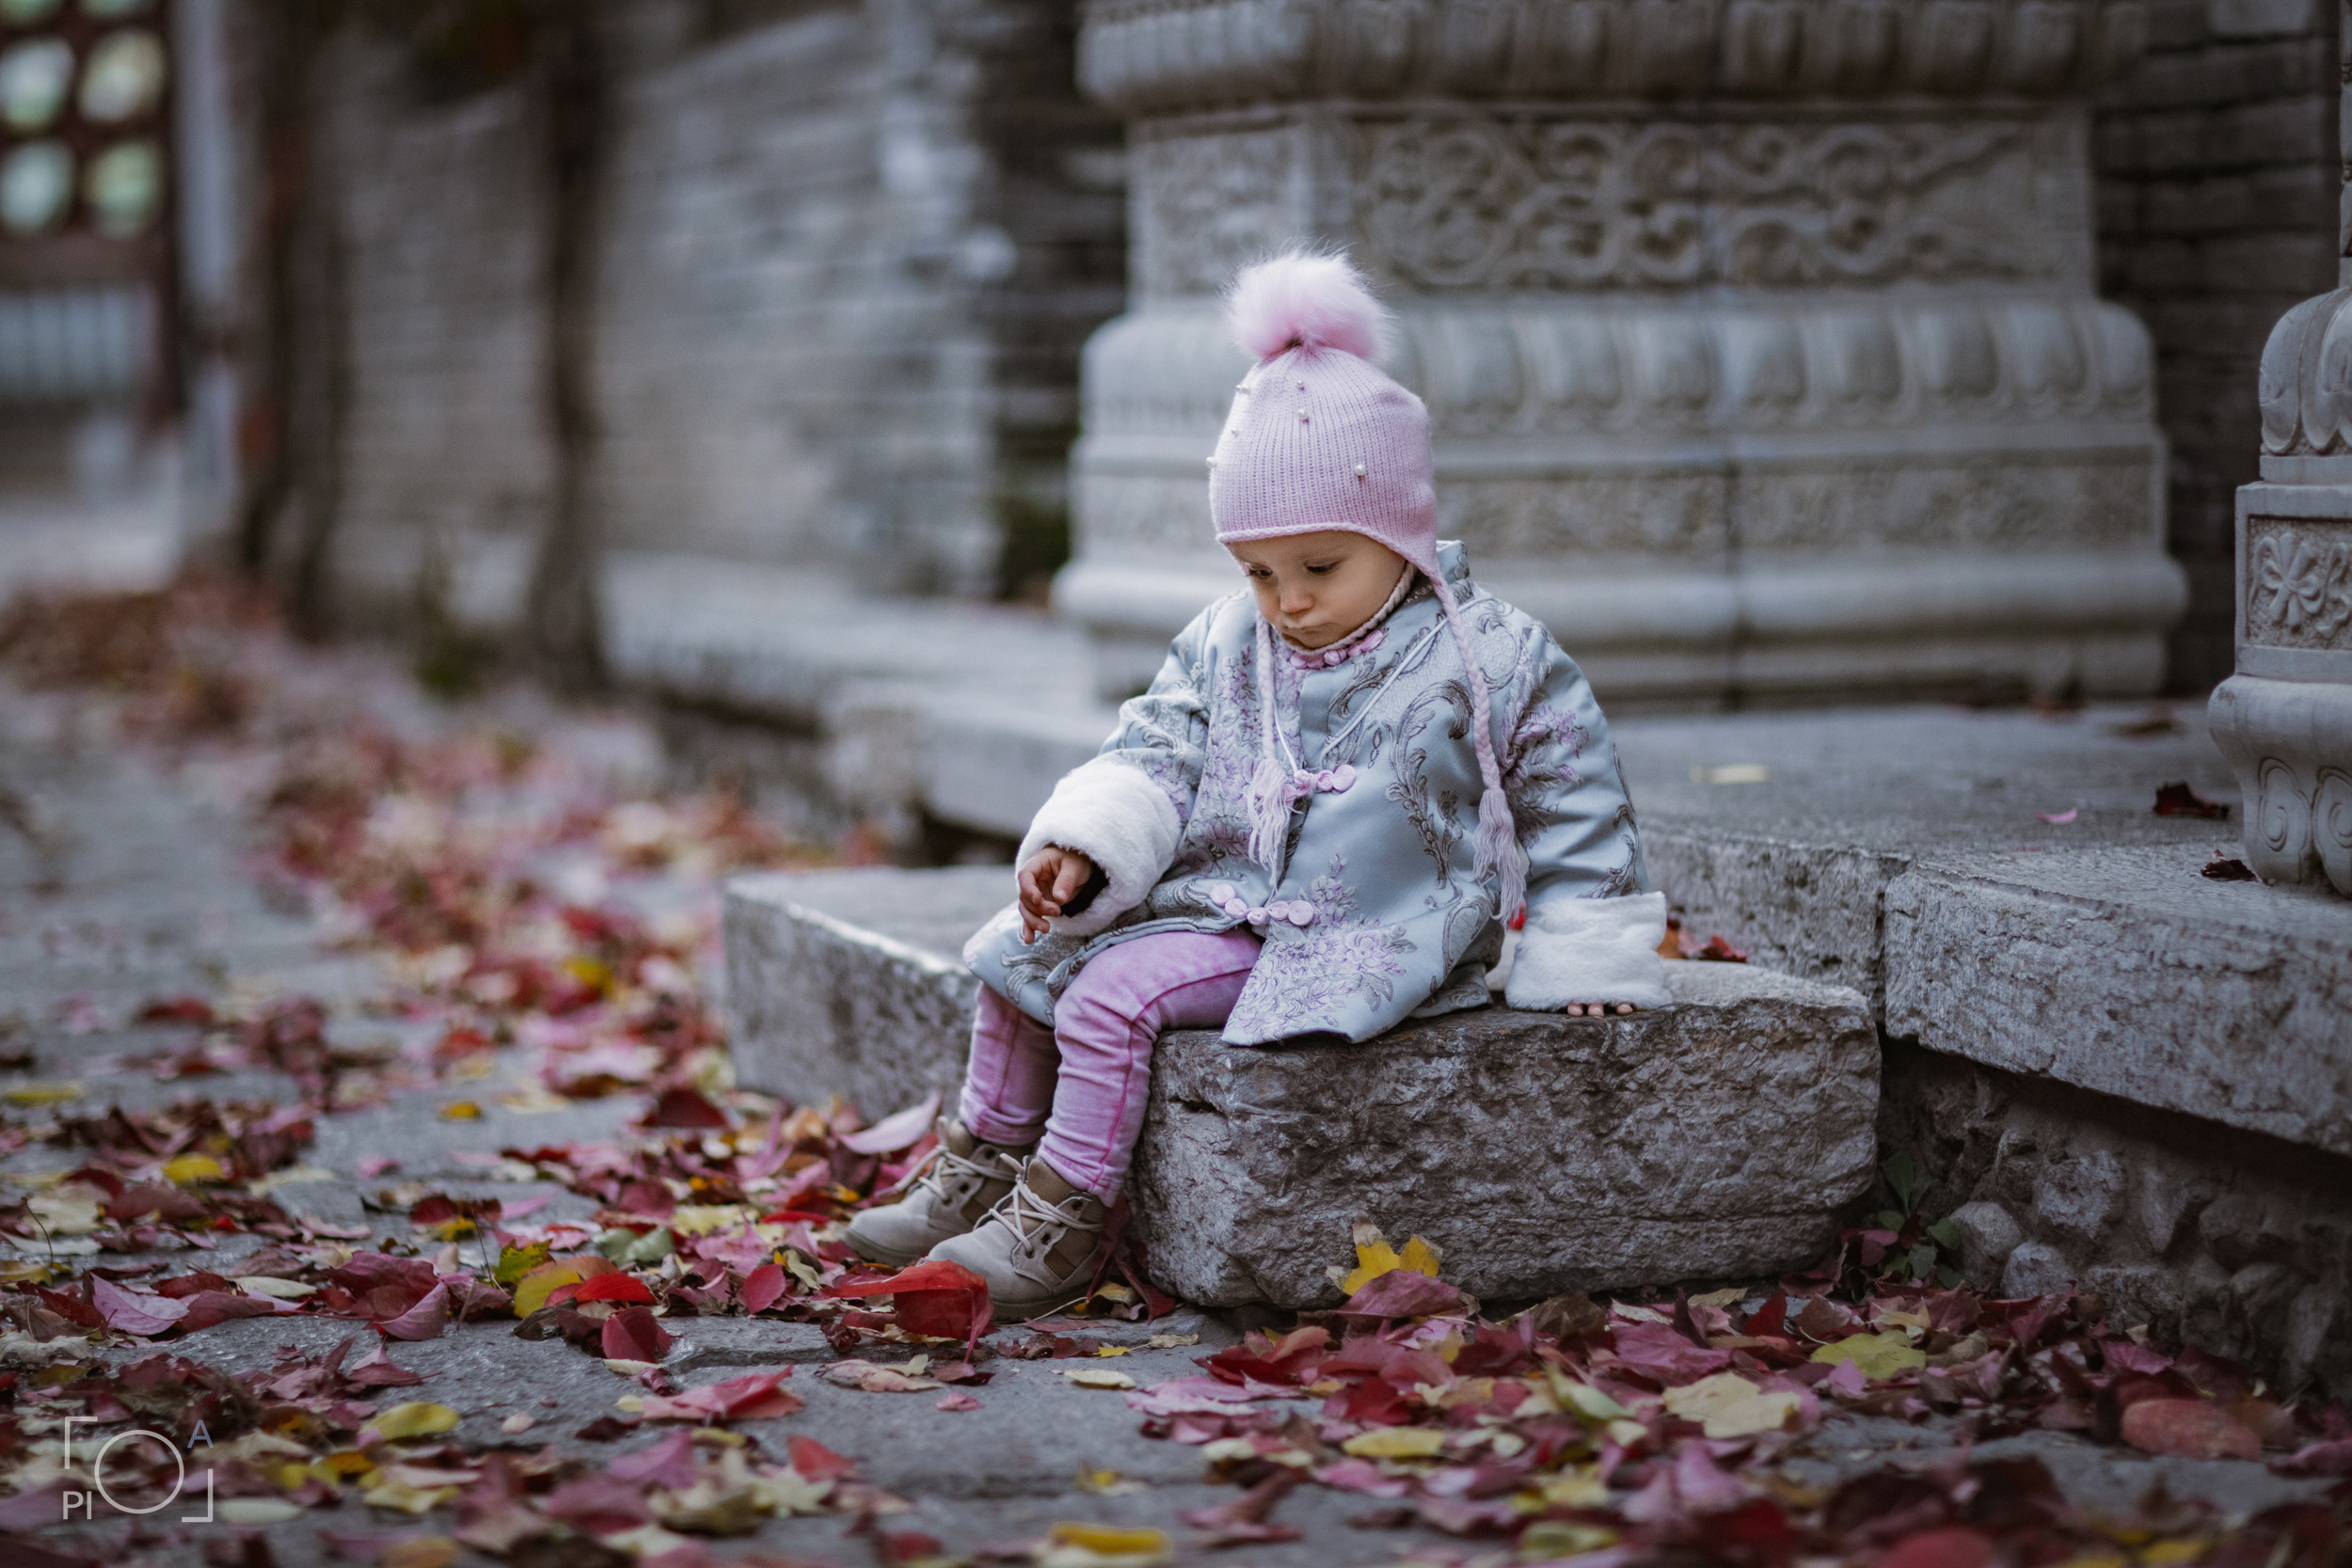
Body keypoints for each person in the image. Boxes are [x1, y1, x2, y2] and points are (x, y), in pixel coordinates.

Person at [846, 250, 1671, 1316]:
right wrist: (1088, 846)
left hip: (1366, 926)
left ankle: (1057, 1218)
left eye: (1321, 566)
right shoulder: (1227, 638)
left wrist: (1583, 939)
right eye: (1258, 569)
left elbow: (1574, 790)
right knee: (1018, 947)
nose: (1288, 600)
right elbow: (1156, 742)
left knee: (1111, 994)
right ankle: (980, 1160)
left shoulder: (1489, 652)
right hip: (1222, 900)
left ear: (1399, 529)